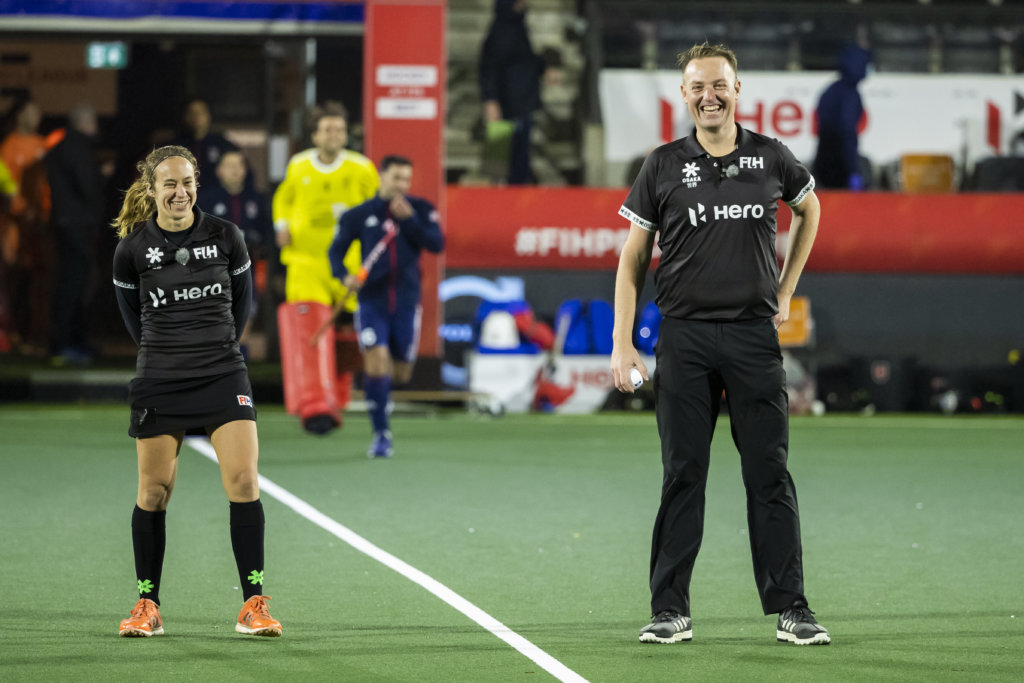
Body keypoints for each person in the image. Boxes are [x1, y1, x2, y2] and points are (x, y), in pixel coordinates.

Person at [610, 42, 829, 646]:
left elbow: (810, 211)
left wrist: (786, 291)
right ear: (684, 95)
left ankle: (792, 608)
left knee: (769, 473)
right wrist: (622, 343)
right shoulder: (661, 164)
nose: (710, 96)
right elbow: (632, 261)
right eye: (698, 87)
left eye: (719, 85)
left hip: (754, 338)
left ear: (737, 90)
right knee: (683, 473)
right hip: (683, 338)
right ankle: (669, 608)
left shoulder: (771, 156)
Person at [111, 145, 281, 638]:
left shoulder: (226, 236)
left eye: (187, 182)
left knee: (244, 482)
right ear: (152, 190)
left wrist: (214, 350)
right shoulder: (131, 250)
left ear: (196, 185)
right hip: (160, 378)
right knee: (153, 492)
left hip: (222, 374)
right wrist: (168, 356)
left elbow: (241, 309)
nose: (180, 192)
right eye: (169, 183)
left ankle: (252, 604)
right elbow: (135, 322)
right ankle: (147, 605)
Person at [272, 101, 379, 433]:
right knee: (311, 329)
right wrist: (281, 226)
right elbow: (283, 200)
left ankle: (338, 397)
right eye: (328, 129)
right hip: (306, 262)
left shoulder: (362, 168)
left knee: (344, 332)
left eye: (339, 130)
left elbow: (376, 208)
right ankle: (314, 405)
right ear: (315, 135)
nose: (334, 135)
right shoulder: (299, 165)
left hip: (347, 265)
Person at [328, 155, 444, 457]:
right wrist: (344, 276)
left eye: (406, 179)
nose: (402, 184)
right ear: (382, 177)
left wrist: (411, 220)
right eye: (396, 178)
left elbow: (436, 244)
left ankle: (380, 397)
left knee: (402, 373)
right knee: (377, 360)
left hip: (406, 302)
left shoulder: (420, 209)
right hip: (371, 302)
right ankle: (381, 433)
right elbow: (336, 251)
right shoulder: (360, 214)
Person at [45, 102, 105, 365]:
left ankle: (73, 341)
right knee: (74, 284)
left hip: (66, 222)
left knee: (74, 282)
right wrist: (102, 181)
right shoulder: (77, 148)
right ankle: (64, 343)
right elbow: (87, 185)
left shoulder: (61, 147)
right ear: (87, 122)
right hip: (77, 224)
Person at [198, 150, 275, 352]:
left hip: (246, 270)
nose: (234, 170)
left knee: (243, 324)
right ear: (219, 170)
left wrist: (259, 244)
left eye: (239, 165)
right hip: (213, 271)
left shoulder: (257, 199)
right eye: (229, 165)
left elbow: (267, 233)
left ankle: (240, 369)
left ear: (245, 170)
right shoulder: (205, 200)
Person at [479, 0, 547, 184]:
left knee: (519, 160)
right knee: (501, 161)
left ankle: (515, 189)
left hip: (521, 102)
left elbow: (525, 61)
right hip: (506, 104)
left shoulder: (519, 29)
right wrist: (491, 99)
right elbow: (489, 68)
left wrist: (543, 67)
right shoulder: (501, 31)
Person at [813, 43, 872, 190]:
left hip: (823, 160)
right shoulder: (850, 94)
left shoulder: (830, 90)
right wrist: (853, 169)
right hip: (841, 165)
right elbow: (847, 131)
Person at [169, 99, 240, 185]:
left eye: (200, 113)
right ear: (184, 117)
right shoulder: (172, 147)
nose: (196, 117)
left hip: (216, 192)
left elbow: (243, 176)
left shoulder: (224, 145)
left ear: (209, 116)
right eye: (192, 113)